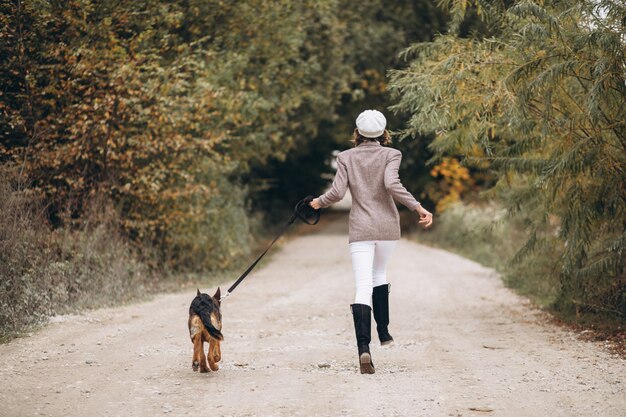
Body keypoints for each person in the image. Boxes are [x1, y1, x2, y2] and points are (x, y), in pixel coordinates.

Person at [310, 109, 433, 374]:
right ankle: (384, 332)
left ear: (357, 133)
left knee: (363, 284)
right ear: (384, 133)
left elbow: (337, 192)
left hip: (361, 229)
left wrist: (318, 202)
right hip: (387, 227)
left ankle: (363, 349)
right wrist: (418, 207)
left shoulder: (345, 157)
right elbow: (392, 183)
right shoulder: (392, 154)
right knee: (380, 273)